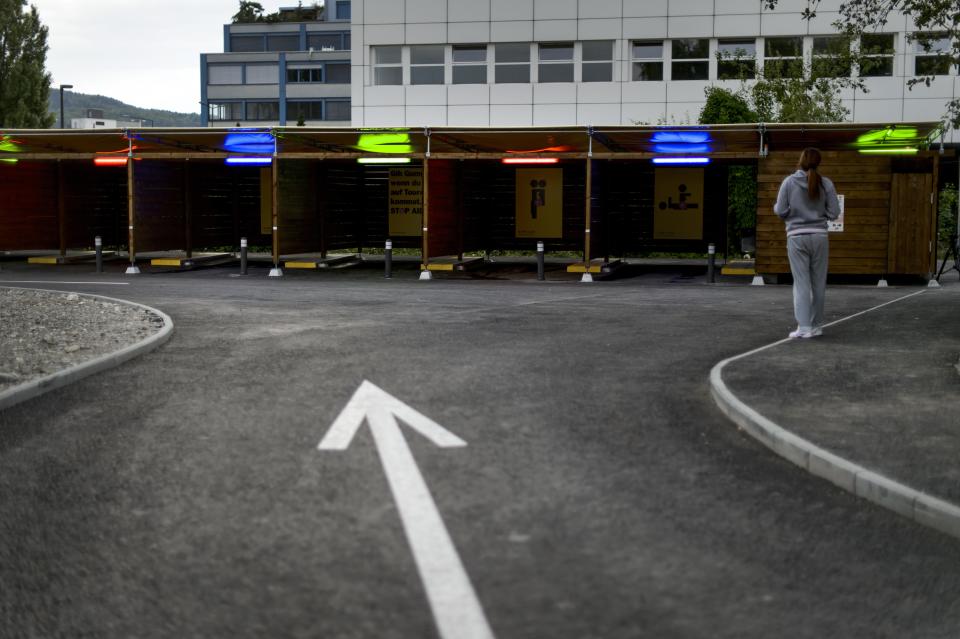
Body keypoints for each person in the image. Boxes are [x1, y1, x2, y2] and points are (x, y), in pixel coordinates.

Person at [773, 147, 840, 339]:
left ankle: (804, 327)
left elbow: (780, 210)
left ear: (801, 160)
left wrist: (786, 212)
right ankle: (817, 325)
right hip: (819, 236)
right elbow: (834, 212)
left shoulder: (789, 182)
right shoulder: (826, 183)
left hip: (796, 237)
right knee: (818, 283)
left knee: (801, 283)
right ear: (818, 162)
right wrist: (821, 215)